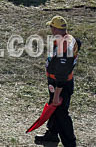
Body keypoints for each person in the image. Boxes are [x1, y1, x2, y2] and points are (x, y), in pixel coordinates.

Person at [33, 16, 80, 147]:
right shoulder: (67, 39)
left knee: (61, 114)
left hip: (61, 85)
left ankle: (70, 143)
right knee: (54, 110)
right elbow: (78, 44)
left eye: (51, 27)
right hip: (57, 84)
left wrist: (57, 94)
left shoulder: (64, 46)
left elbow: (62, 74)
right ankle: (51, 136)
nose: (51, 30)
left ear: (55, 28)